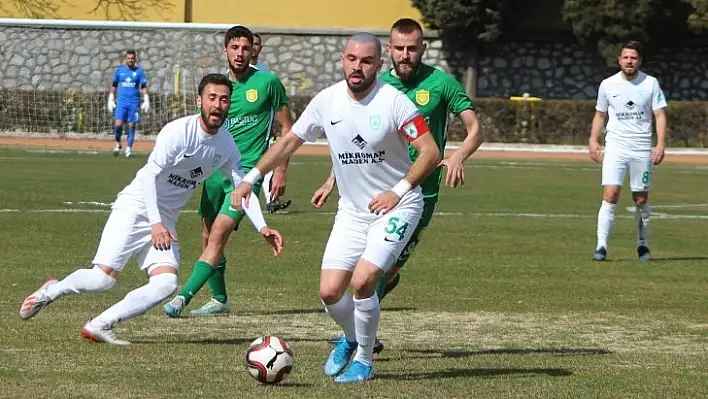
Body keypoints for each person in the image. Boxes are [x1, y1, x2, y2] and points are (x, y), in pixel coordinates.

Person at [230, 32, 440, 383]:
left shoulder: (394, 102)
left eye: (367, 61)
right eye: (352, 59)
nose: (358, 67)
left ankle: (363, 360)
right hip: (353, 212)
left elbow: (431, 152)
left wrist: (398, 190)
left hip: (398, 208)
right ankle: (354, 337)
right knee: (329, 292)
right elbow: (288, 143)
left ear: (378, 64)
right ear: (343, 59)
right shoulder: (326, 102)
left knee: (362, 283)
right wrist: (251, 178)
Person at [19, 74, 283, 345]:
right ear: (199, 101)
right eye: (212, 98)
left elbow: (242, 190)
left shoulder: (226, 145)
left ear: (229, 104)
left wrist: (262, 228)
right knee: (103, 279)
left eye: (224, 99)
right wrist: (156, 224)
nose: (217, 105)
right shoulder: (179, 132)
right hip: (136, 207)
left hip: (163, 219)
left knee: (165, 284)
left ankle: (99, 324)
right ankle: (52, 290)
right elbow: (147, 177)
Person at [312, 18, 484, 353]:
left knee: (379, 270)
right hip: (370, 193)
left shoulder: (441, 83)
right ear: (388, 51)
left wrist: (459, 156)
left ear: (423, 48)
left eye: (412, 48)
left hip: (418, 193)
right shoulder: (373, 84)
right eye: (399, 49)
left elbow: (475, 127)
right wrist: (333, 178)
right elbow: (352, 140)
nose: (405, 55)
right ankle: (361, 337)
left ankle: (361, 341)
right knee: (363, 273)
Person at [162, 26, 291, 317]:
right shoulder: (219, 90)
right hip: (213, 172)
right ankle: (219, 300)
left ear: (253, 50)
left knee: (219, 233)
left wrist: (280, 170)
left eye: (246, 48)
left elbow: (287, 129)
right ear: (225, 50)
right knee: (208, 236)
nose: (240, 53)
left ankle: (181, 298)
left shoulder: (268, 82)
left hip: (248, 174)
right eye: (235, 48)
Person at [589, 40, 667, 262]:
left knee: (640, 198)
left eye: (633, 58)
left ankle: (642, 245)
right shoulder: (607, 85)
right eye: (625, 57)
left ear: (639, 60)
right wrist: (593, 140)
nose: (629, 61)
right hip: (615, 148)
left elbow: (660, 115)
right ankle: (601, 246)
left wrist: (660, 144)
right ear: (619, 60)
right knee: (611, 194)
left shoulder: (650, 84)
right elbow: (600, 114)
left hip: (641, 148)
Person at [250, 31, 292, 213]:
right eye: (250, 44)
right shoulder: (234, 73)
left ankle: (272, 199)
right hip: (245, 130)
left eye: (256, 44)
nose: (253, 47)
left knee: (269, 161)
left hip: (264, 128)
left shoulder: (266, 72)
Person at [108, 50, 150, 158]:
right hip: (121, 103)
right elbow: (114, 84)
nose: (131, 60)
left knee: (132, 126)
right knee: (118, 125)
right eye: (129, 58)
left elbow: (144, 86)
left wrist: (146, 99)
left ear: (135, 59)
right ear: (126, 59)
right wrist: (111, 98)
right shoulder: (119, 71)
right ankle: (118, 143)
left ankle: (128, 149)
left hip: (134, 103)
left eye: (132, 58)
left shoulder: (139, 72)